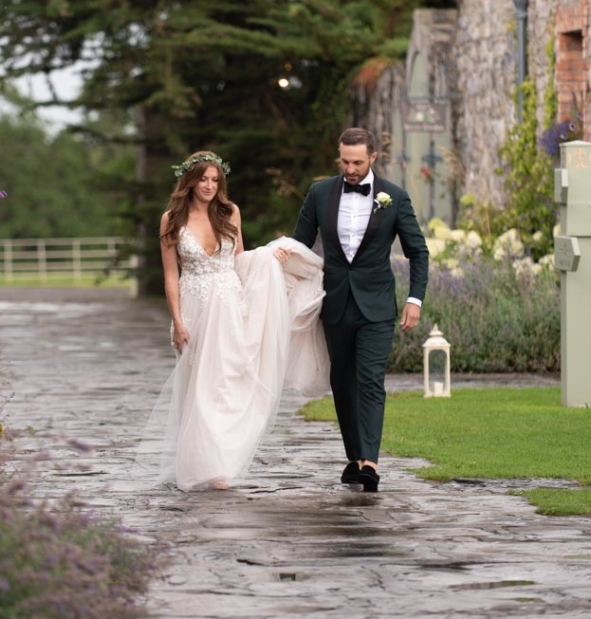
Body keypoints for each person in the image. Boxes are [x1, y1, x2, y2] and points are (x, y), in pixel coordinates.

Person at [146, 151, 328, 491]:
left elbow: (241, 261)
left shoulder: (230, 213)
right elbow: (171, 276)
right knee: (199, 385)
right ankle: (204, 463)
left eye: (215, 180)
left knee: (227, 383)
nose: (210, 186)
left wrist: (270, 259)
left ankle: (221, 461)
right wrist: (178, 320)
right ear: (189, 180)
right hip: (195, 309)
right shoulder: (171, 219)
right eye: (203, 179)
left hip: (230, 305)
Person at [292, 127, 429, 492]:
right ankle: (355, 457)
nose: (350, 168)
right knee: (342, 381)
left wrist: (415, 300)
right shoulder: (320, 193)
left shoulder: (394, 197)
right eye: (344, 161)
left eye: (357, 162)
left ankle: (370, 462)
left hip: (377, 305)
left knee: (369, 380)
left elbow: (418, 251)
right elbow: (299, 245)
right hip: (334, 303)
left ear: (372, 158)